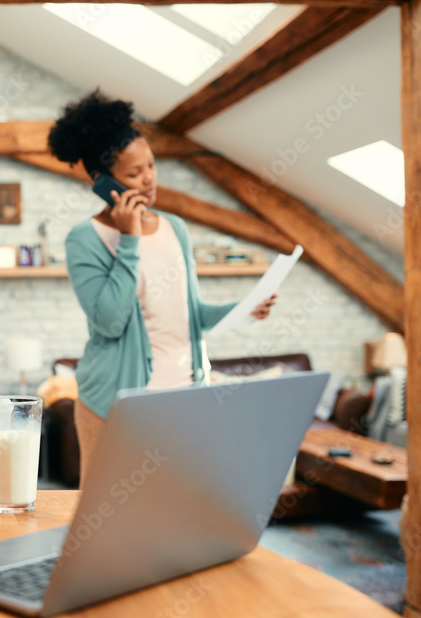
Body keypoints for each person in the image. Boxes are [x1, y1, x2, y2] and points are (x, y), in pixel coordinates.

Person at [47, 90, 276, 482]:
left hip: (186, 396)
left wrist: (244, 307)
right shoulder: (84, 239)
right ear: (103, 182)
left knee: (179, 511)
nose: (149, 179)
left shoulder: (176, 228)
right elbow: (110, 322)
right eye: (134, 173)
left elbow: (192, 313)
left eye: (151, 165)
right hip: (116, 403)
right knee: (108, 519)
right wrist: (130, 239)